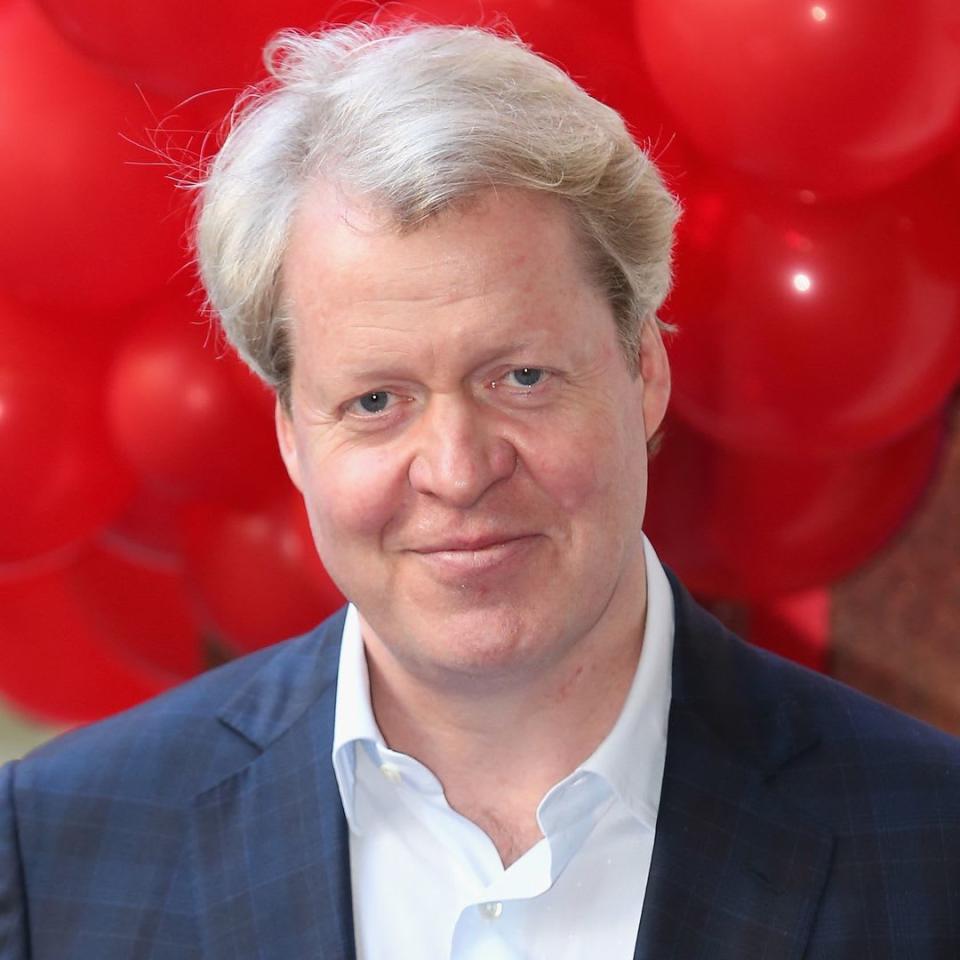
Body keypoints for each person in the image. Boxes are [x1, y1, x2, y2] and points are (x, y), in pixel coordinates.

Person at [2, 22, 959, 960]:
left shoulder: (929, 848)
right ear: (292, 435)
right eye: (377, 400)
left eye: (522, 378)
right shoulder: (56, 858)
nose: (459, 472)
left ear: (644, 373)